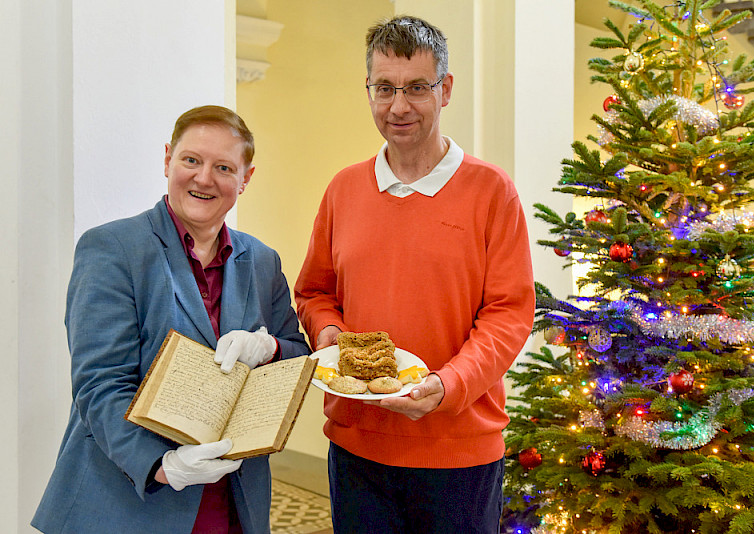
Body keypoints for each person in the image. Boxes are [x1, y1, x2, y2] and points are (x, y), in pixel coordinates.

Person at [294, 15, 535, 534]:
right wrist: (329, 334)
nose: (398, 106)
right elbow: (314, 292)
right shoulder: (343, 190)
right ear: (369, 91)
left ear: (445, 90)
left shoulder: (492, 191)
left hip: (460, 452)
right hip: (358, 447)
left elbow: (509, 314)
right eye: (384, 88)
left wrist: (447, 385)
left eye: (417, 88)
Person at [32, 105, 310, 534]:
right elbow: (99, 383)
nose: (204, 178)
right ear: (167, 159)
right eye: (191, 160)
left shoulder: (262, 261)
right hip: (128, 501)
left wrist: (269, 347)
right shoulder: (112, 249)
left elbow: (297, 355)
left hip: (234, 503)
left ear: (245, 178)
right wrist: (162, 465)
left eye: (223, 167)